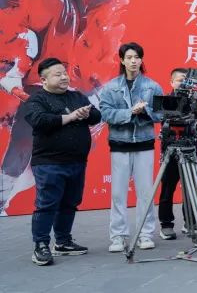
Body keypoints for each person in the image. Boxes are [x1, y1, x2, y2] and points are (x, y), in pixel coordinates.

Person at [24, 58, 101, 265]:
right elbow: (39, 120)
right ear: (44, 79)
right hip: (49, 162)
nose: (64, 77)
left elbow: (96, 115)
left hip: (77, 160)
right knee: (47, 204)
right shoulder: (37, 99)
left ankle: (63, 241)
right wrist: (70, 117)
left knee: (70, 203)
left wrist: (86, 113)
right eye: (57, 74)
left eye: (64, 73)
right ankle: (41, 245)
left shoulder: (76, 96)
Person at [99, 42, 164, 252]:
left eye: (137, 57)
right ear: (122, 60)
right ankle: (118, 236)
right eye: (129, 57)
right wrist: (130, 113)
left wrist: (145, 112)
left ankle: (145, 234)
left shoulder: (152, 86)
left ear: (141, 59)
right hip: (119, 145)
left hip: (144, 145)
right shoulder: (110, 87)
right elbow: (105, 113)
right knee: (118, 194)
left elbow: (161, 114)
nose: (133, 61)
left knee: (145, 193)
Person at [157, 68, 197, 241]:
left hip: (192, 149)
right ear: (172, 82)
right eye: (180, 80)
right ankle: (166, 224)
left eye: (186, 80)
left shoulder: (196, 98)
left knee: (192, 189)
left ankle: (191, 222)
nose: (183, 83)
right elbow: (162, 120)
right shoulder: (167, 99)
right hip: (171, 149)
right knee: (168, 189)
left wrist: (194, 107)